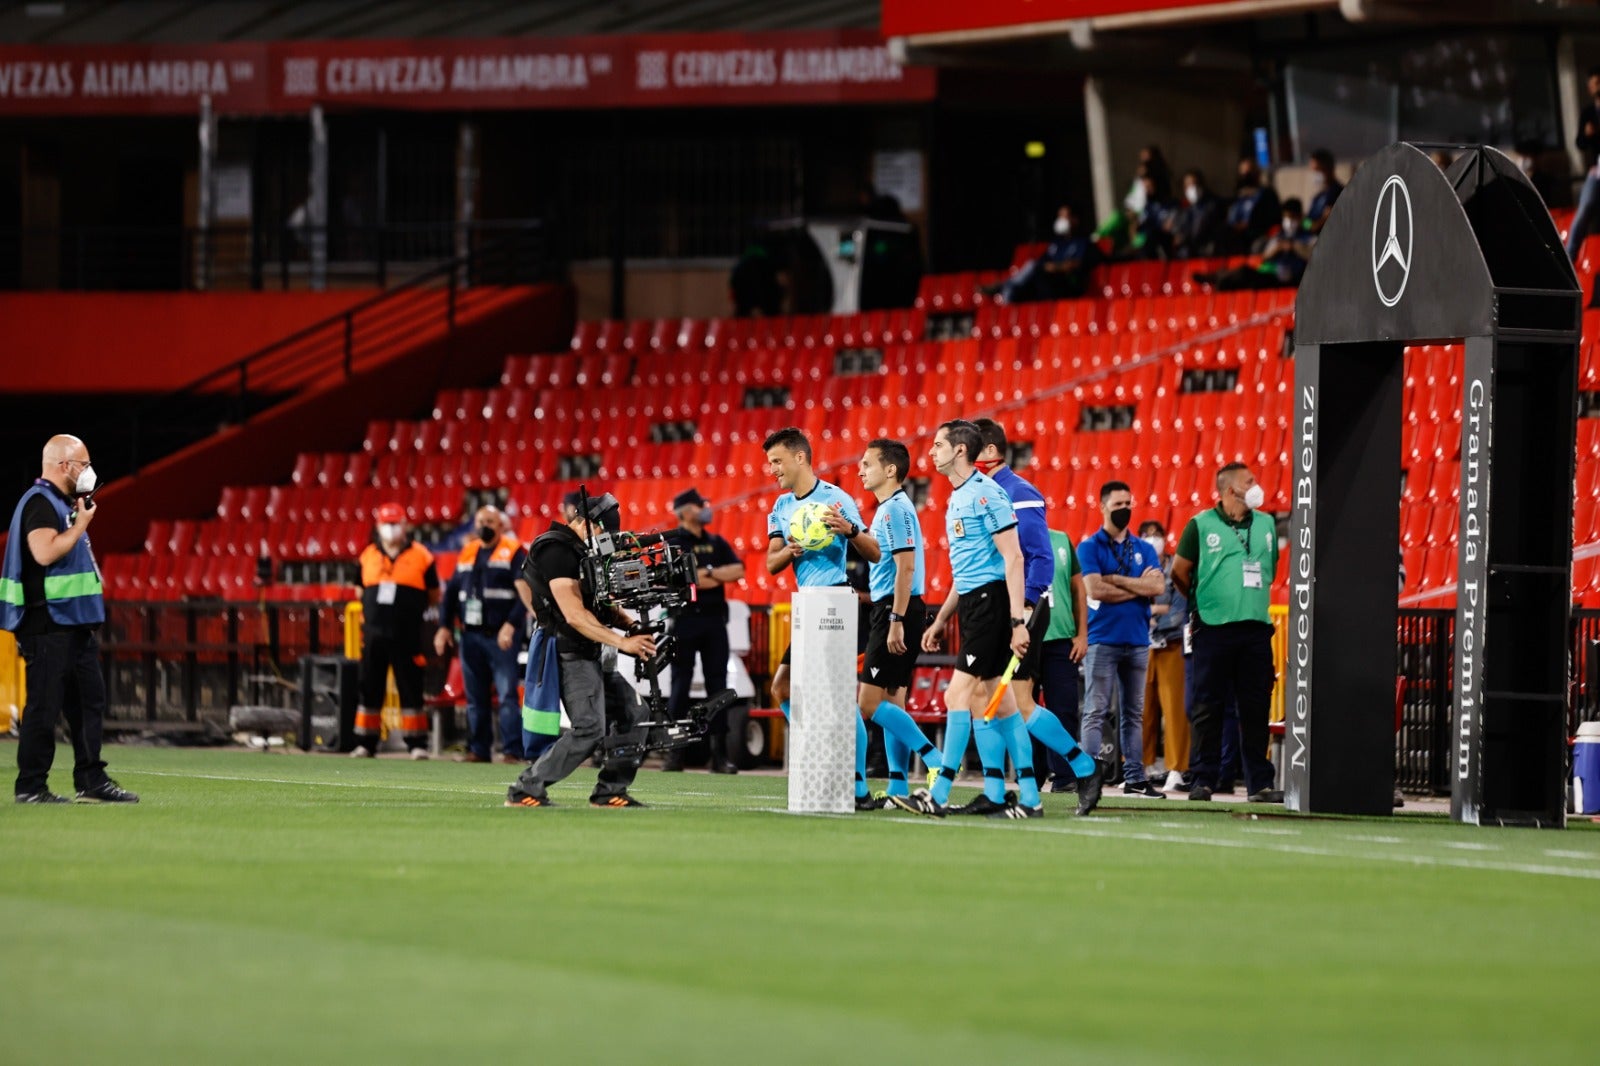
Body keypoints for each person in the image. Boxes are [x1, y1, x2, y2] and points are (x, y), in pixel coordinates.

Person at [894, 421, 1087, 820]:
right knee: (995, 705)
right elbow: (968, 569)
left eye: (938, 445)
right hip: (975, 604)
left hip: (991, 606)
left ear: (961, 451)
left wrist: (1019, 620)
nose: (930, 452)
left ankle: (940, 792)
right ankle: (1030, 796)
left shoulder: (987, 494)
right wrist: (942, 617)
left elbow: (1016, 558)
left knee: (956, 696)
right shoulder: (960, 495)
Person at [2, 435, 137, 804]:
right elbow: (44, 553)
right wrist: (81, 527)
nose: (88, 471)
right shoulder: (40, 504)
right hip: (47, 623)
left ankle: (91, 780)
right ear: (64, 466)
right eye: (84, 463)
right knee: (44, 707)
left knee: (89, 702)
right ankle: (31, 786)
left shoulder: (61, 503)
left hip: (72, 623)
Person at [972, 418, 1102, 798]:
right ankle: (1017, 789)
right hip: (994, 608)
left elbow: (1041, 558)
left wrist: (1023, 610)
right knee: (991, 699)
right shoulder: (984, 494)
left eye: (969, 447)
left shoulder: (1019, 493)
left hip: (1020, 609)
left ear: (991, 453)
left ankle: (1080, 769)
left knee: (1014, 701)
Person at [506, 492, 658, 808]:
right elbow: (574, 614)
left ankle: (610, 790)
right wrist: (623, 642)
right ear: (587, 523)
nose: (606, 539)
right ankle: (526, 787)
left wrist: (629, 624)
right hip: (567, 650)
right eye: (604, 531)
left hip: (591, 649)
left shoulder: (582, 552)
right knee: (589, 728)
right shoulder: (556, 551)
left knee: (636, 713)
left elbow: (599, 603)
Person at [1170, 462, 1282, 804]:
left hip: (1255, 629)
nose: (1256, 485)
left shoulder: (1266, 524)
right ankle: (1204, 780)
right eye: (1250, 481)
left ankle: (1259, 784)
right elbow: (1179, 571)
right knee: (1208, 707)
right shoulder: (1200, 525)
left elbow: (1271, 568)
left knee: (1255, 707)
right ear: (1230, 489)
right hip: (1213, 629)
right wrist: (1201, 602)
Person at [850, 439, 946, 807]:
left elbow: (906, 566)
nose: (860, 470)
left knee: (869, 705)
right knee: (893, 701)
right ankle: (898, 787)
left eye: (867, 463)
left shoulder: (895, 510)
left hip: (895, 608)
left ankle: (936, 761)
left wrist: (894, 619)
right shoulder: (889, 508)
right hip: (898, 608)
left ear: (890, 470)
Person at [762, 426, 874, 726]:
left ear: (800, 457)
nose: (772, 469)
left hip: (834, 599)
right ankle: (811, 741)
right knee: (781, 688)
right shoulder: (781, 507)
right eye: (770, 462)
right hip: (806, 604)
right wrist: (791, 549)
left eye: (777, 461)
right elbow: (771, 564)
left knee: (837, 695)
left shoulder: (836, 499)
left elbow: (874, 552)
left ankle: (856, 772)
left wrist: (849, 530)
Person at [1077, 481, 1166, 798]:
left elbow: (1157, 588)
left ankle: (1135, 778)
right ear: (1102, 506)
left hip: (1137, 640)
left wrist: (1115, 580)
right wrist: (1135, 587)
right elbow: (1094, 589)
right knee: (1095, 710)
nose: (1125, 509)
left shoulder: (1143, 548)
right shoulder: (1089, 547)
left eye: (1128, 503)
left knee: (1133, 713)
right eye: (1118, 505)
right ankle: (1088, 776)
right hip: (1103, 639)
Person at [434, 506, 529, 764]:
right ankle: (479, 749)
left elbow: (526, 595)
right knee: (475, 697)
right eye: (480, 521)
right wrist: (444, 626)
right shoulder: (467, 551)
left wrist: (512, 624)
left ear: (500, 525)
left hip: (501, 635)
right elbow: (452, 593)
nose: (484, 525)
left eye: (489, 521)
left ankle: (512, 750)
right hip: (470, 635)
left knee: (507, 695)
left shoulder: (514, 551)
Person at [661, 487, 745, 773]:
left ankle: (719, 755)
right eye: (699, 506)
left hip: (713, 621)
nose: (705, 509)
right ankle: (675, 754)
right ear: (684, 511)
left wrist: (704, 574)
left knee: (717, 687)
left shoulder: (715, 541)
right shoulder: (674, 542)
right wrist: (711, 575)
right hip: (684, 620)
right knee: (680, 686)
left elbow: (738, 571)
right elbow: (682, 579)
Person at [353, 502, 440, 759]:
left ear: (405, 525)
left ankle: (416, 744)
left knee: (411, 687)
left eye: (395, 523)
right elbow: (359, 590)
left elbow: (433, 595)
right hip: (373, 635)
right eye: (386, 524)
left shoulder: (422, 555)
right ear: (378, 527)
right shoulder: (367, 555)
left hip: (407, 635)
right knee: (369, 686)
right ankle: (366, 743)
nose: (391, 529)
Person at [1138, 520, 1190, 791]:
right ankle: (1140, 765)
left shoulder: (1172, 569)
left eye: (1157, 535)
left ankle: (1176, 768)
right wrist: (1152, 612)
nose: (1152, 539)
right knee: (1141, 710)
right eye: (1146, 535)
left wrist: (1147, 613)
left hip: (1171, 644)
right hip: (1141, 646)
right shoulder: (1135, 567)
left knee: (1174, 709)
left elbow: (1176, 609)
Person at [1038, 527, 1090, 792]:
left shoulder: (1062, 539)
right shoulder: (1010, 536)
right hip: (1026, 638)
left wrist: (1082, 634)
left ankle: (1064, 776)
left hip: (1061, 640)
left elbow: (1078, 589)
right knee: (1026, 711)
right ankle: (1031, 776)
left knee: (1065, 708)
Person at [1194, 199, 1314, 291]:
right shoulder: (1279, 236)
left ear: (1300, 217)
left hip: (1291, 279)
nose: (1289, 222)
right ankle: (1218, 277)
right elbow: (1264, 257)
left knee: (1244, 272)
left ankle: (1218, 279)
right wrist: (1277, 249)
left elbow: (1313, 256)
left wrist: (1294, 247)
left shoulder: (1308, 237)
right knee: (1239, 275)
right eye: (1286, 217)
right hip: (1272, 272)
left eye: (1292, 217)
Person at [989, 205, 1099, 303]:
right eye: (1059, 217)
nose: (1060, 221)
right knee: (1027, 279)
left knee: (1031, 267)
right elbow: (1043, 261)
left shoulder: (1082, 242)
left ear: (1075, 220)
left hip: (1067, 287)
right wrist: (1047, 267)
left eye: (1064, 217)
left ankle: (1005, 287)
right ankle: (1008, 291)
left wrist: (1053, 267)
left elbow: (1075, 265)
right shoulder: (1057, 243)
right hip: (1047, 284)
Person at [1568, 67, 1600, 262]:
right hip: (1597, 170)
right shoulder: (1588, 113)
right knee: (1585, 206)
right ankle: (1569, 258)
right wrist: (1588, 135)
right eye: (1594, 83)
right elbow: (1579, 143)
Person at [1222, 158, 1280, 254]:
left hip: (1258, 237)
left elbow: (1273, 219)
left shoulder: (1267, 194)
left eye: (1250, 171)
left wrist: (1250, 225)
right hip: (1236, 238)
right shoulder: (1237, 197)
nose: (1246, 174)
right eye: (1244, 172)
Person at [1170, 170, 1225, 260]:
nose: (1191, 188)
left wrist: (1184, 238)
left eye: (1194, 184)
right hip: (1186, 254)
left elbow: (1198, 231)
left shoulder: (1212, 205)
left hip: (1204, 252)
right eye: (1187, 185)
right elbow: (1178, 229)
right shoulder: (1185, 209)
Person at [1304, 149, 1344, 235]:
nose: (1314, 174)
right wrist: (1310, 225)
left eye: (1317, 170)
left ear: (1328, 169)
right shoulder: (1318, 197)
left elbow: (1322, 225)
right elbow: (1305, 222)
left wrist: (1313, 225)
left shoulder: (1338, 193)